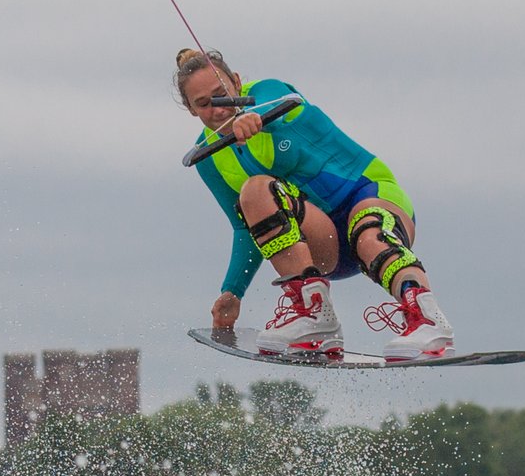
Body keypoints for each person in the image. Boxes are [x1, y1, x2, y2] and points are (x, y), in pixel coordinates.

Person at [175, 49, 454, 360]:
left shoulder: (269, 92)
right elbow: (245, 228)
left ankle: (427, 319)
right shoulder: (210, 158)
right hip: (323, 241)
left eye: (222, 95)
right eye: (204, 103)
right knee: (253, 192)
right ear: (191, 110)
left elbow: (276, 105)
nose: (219, 109)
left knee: (369, 233)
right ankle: (314, 315)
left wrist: (251, 118)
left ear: (237, 82)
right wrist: (233, 291)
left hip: (371, 197)